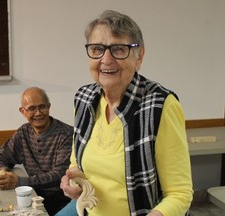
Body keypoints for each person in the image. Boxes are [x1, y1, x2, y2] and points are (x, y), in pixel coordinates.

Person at [58, 10, 193, 216]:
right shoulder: (84, 98)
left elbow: (180, 193)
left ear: (139, 56)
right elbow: (76, 163)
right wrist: (71, 180)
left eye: (119, 49)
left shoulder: (161, 105)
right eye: (97, 49)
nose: (106, 59)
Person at [0, 87, 73, 215]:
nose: (38, 113)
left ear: (49, 107)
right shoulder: (24, 132)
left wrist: (20, 182)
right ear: (23, 111)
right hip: (33, 198)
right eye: (32, 108)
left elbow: (60, 174)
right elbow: (1, 156)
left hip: (61, 202)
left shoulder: (66, 134)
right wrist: (2, 172)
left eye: (42, 107)